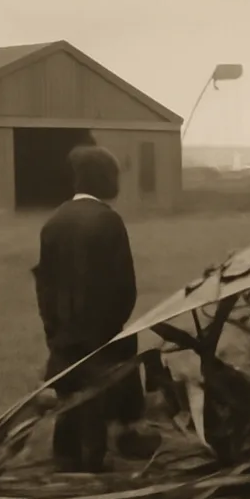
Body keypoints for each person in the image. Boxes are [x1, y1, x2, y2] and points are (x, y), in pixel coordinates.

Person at [32, 145, 160, 473]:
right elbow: (123, 286)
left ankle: (66, 454)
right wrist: (112, 327)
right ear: (104, 179)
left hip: (62, 331)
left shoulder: (54, 221)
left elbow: (43, 284)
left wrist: (54, 329)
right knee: (101, 387)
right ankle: (101, 452)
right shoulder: (107, 221)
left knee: (69, 388)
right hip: (100, 331)